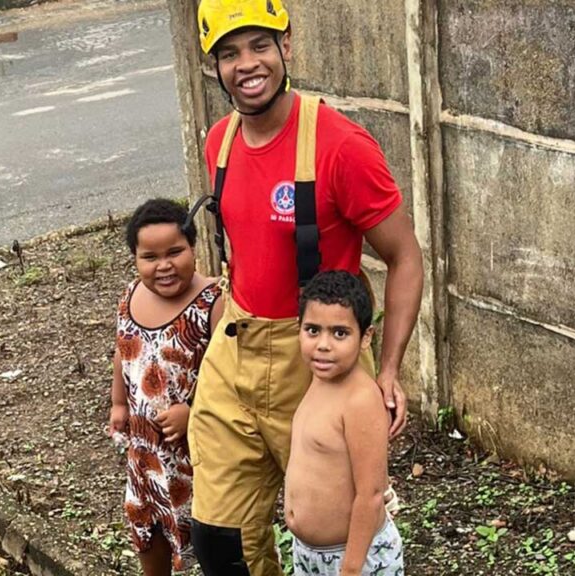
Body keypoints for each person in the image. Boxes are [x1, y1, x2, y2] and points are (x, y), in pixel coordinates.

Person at [187, 1, 424, 574]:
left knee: (337, 530)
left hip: (315, 361)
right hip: (235, 349)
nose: (247, 64)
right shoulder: (219, 141)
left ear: (287, 45)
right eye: (229, 53)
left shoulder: (342, 146)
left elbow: (405, 256)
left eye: (260, 45)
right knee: (218, 539)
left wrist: (388, 367)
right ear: (213, 66)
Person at [109, 198, 223, 575]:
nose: (164, 265)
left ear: (193, 247)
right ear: (135, 259)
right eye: (150, 257)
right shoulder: (130, 297)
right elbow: (123, 351)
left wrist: (193, 412)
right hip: (144, 450)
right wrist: (119, 403)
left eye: (175, 251)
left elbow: (230, 377)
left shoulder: (213, 303)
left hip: (195, 452)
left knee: (207, 537)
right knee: (147, 526)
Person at [286, 271, 404, 576]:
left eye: (340, 333)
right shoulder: (318, 378)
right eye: (312, 330)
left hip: (353, 559)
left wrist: (350, 569)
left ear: (365, 337)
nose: (323, 345)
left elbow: (371, 494)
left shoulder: (360, 400)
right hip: (308, 555)